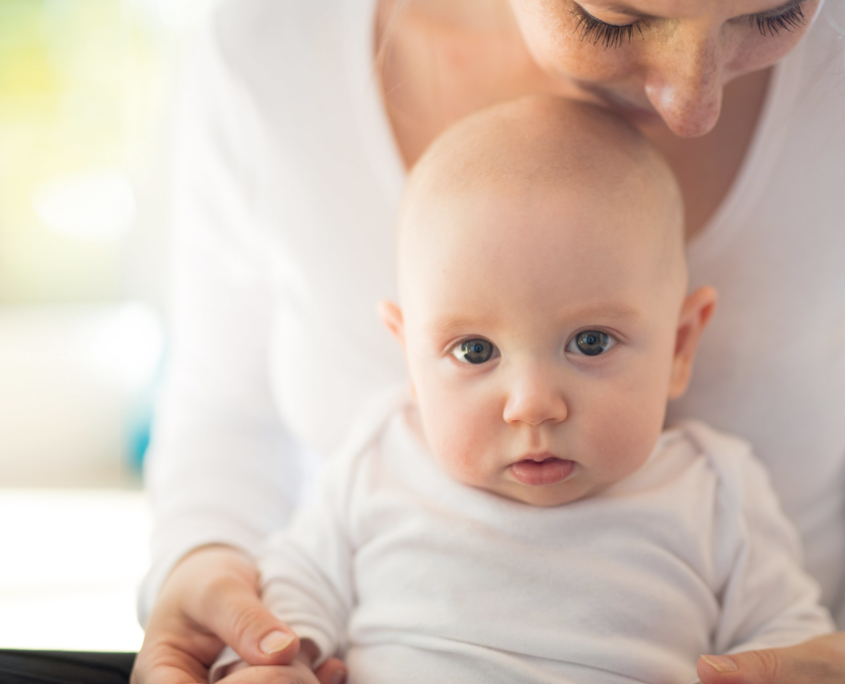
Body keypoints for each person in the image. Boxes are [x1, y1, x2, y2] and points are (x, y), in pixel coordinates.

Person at [126, 1, 845, 683]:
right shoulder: (377, 462)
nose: (532, 405)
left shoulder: (716, 496)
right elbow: (288, 579)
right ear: (407, 355)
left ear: (681, 343)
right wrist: (260, 648)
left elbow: (786, 634)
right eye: (613, 18)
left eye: (772, 13)